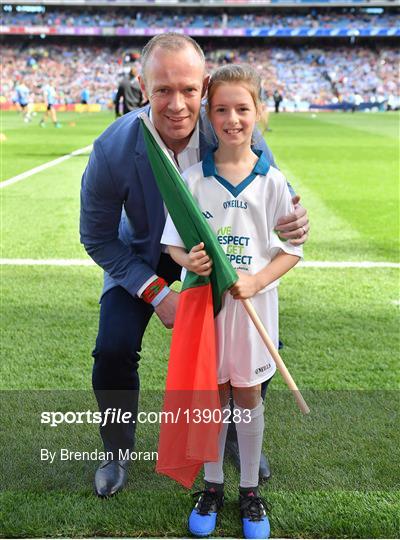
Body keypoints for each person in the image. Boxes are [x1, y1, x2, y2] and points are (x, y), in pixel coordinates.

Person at [80, 33, 309, 499]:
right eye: (163, 89)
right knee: (113, 350)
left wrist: (294, 222)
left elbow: (270, 205)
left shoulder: (233, 128)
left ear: (204, 86)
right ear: (143, 87)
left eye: (188, 89)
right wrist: (157, 293)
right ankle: (116, 451)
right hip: (141, 260)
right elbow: (98, 237)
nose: (177, 104)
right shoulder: (112, 148)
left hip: (210, 260)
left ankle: (230, 435)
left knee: (261, 342)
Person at [161, 64, 302, 540]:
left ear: (259, 112)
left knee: (246, 396)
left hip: (254, 312)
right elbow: (173, 244)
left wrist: (257, 279)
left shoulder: (273, 181)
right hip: (207, 314)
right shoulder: (193, 177)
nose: (232, 118)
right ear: (208, 114)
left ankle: (249, 493)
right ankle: (212, 486)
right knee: (213, 396)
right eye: (221, 109)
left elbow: (291, 250)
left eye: (243, 108)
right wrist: (193, 261)